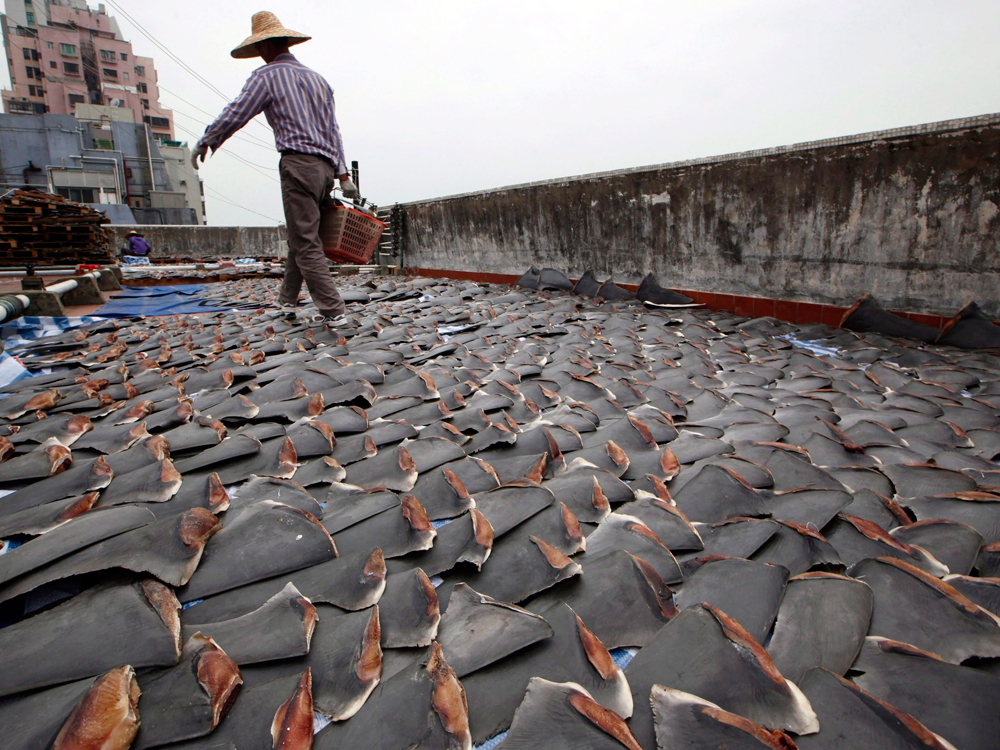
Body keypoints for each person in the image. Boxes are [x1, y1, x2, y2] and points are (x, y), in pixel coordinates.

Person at [191, 11, 360, 324]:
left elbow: (237, 112)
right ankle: (286, 300)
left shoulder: (266, 76)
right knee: (303, 234)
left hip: (298, 163)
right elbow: (333, 130)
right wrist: (342, 174)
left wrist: (207, 140)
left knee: (305, 241)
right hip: (325, 171)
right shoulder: (318, 80)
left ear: (265, 47)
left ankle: (335, 312)